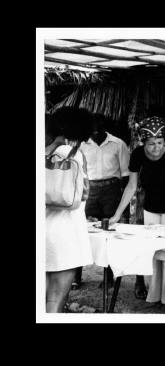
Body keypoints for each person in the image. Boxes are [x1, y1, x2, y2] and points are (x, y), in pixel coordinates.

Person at [108, 116, 165, 300]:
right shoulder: (137, 154)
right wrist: (117, 214)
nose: (156, 147)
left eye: (160, 142)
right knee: (153, 253)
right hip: (150, 208)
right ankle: (155, 295)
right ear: (144, 142)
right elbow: (131, 186)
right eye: (151, 144)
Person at [45, 107, 94, 312]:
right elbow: (83, 194)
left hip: (44, 227)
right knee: (55, 300)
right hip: (65, 232)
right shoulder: (72, 155)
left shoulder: (45, 151)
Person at [74, 114, 130, 290]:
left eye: (99, 129)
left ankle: (108, 277)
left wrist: (123, 202)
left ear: (106, 128)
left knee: (109, 234)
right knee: (82, 231)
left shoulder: (118, 144)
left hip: (111, 190)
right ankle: (76, 276)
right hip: (90, 189)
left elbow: (126, 175)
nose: (95, 133)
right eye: (92, 130)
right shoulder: (81, 145)